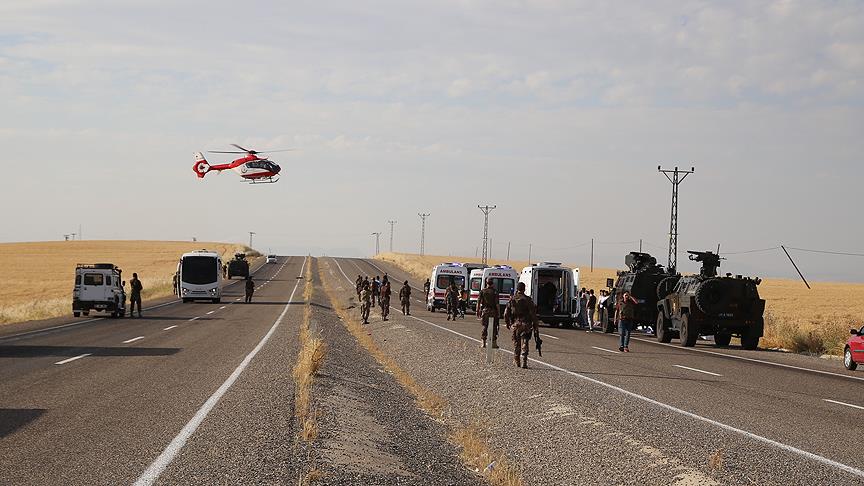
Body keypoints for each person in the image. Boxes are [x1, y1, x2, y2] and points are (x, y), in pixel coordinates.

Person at [504, 282, 539, 368]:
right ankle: (524, 361)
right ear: (524, 289)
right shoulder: (528, 300)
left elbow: (506, 313)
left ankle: (517, 361)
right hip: (526, 324)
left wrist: (507, 323)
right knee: (525, 342)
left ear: (517, 288)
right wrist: (535, 325)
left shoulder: (512, 299)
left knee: (516, 343)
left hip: (516, 324)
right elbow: (533, 314)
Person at [477, 277, 500, 349]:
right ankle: (494, 343)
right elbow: (497, 304)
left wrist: (477, 310)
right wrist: (499, 312)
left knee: (485, 326)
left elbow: (478, 302)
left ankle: (483, 342)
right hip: (493, 311)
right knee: (494, 327)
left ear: (486, 283)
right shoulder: (495, 292)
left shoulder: (483, 291)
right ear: (493, 283)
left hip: (485, 311)